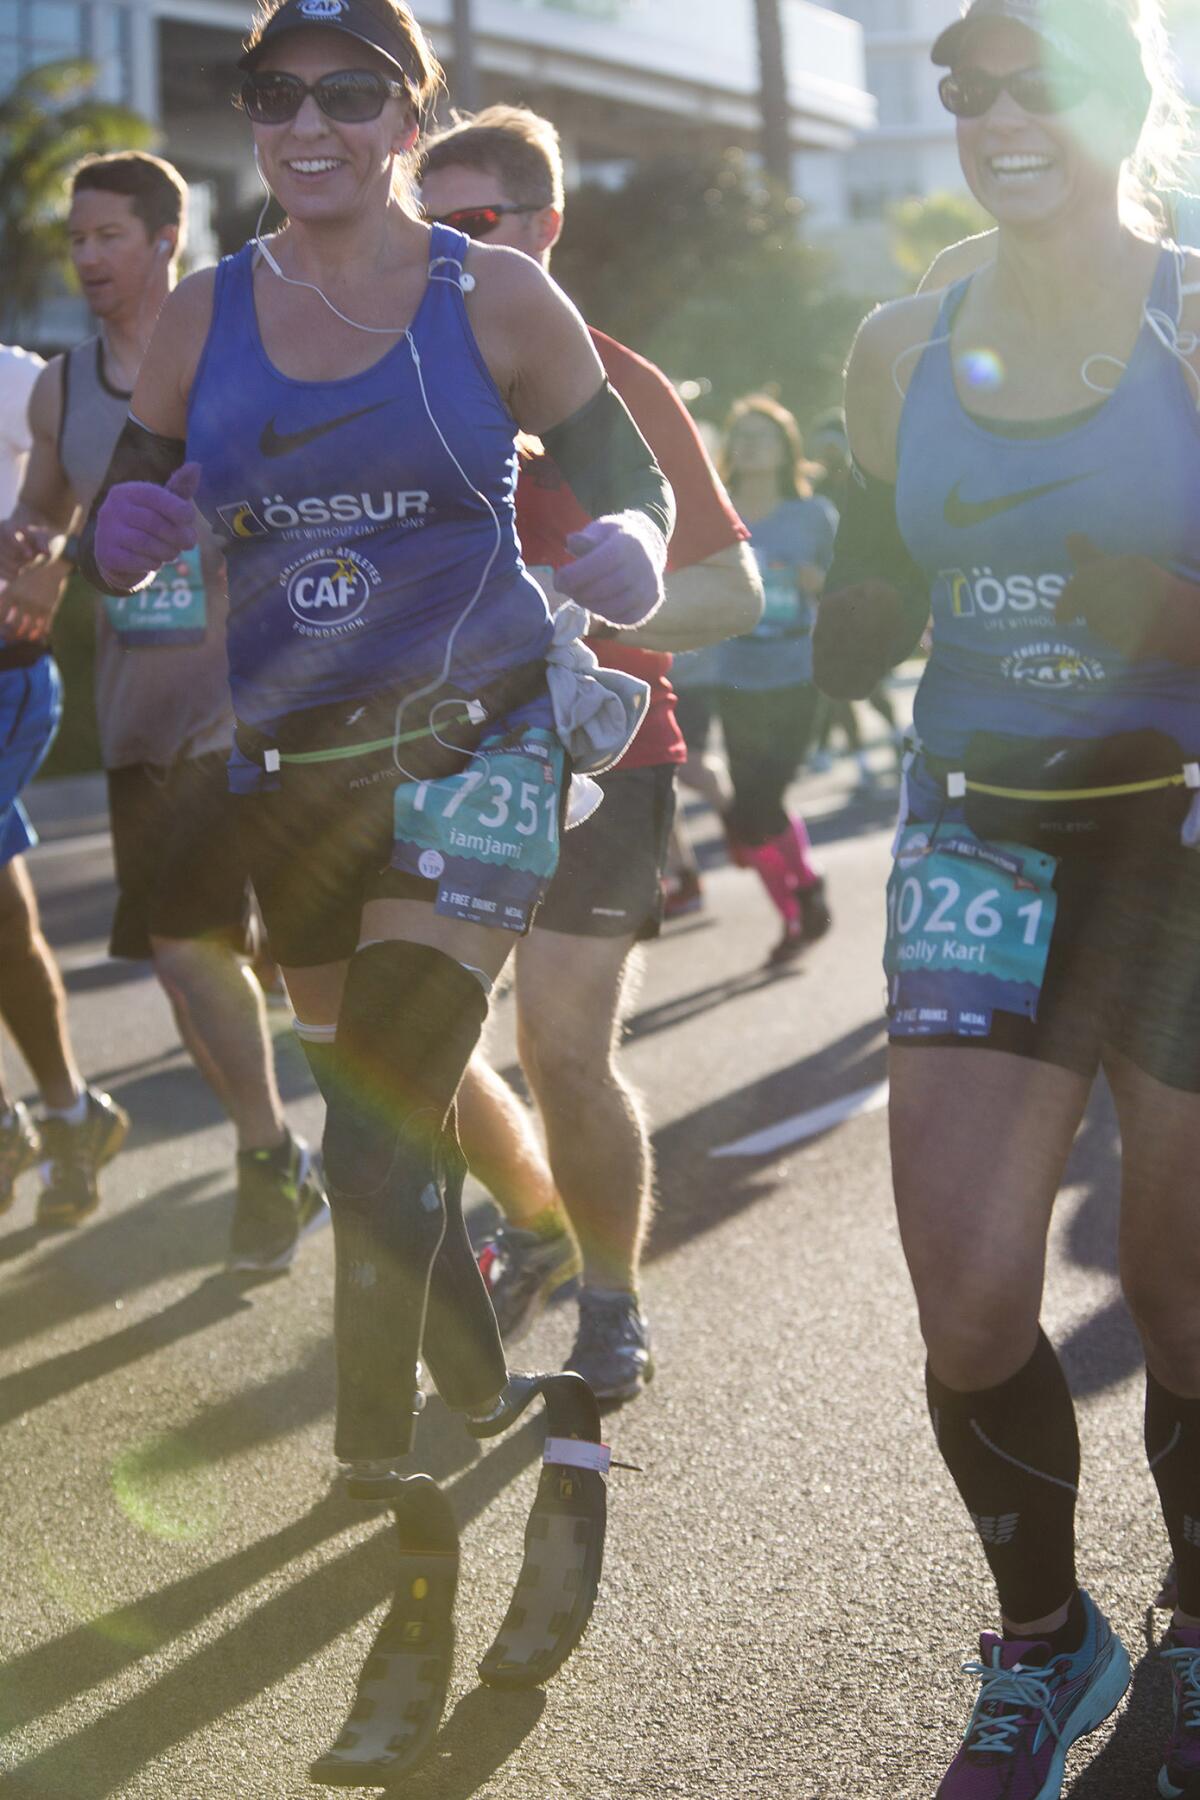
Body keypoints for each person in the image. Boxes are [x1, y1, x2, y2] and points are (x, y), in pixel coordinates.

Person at [71, 0, 677, 1496]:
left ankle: (371, 1465)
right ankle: (473, 1388)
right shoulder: (211, 308)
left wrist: (632, 555)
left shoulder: (496, 295)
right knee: (377, 1106)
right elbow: (131, 501)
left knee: (381, 1098)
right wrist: (122, 531)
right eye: (276, 95)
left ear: (411, 119)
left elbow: (635, 485)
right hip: (295, 769)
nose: (309, 125)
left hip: (481, 739)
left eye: (351, 95)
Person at [813, 2, 1200, 1794]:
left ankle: (1197, 1623)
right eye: (964, 84)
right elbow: (876, 593)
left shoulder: (1198, 317)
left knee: (1191, 1306)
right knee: (969, 1293)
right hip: (981, 839)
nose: (994, 111)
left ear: (1124, 100)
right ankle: (1045, 1641)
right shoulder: (901, 344)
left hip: (1185, 842)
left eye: (1037, 76)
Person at [419, 105, 760, 1396]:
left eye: (478, 227)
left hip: (601, 761)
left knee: (562, 1047)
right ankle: (538, 1216)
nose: (452, 256)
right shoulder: (387, 384)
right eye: (428, 232)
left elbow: (735, 593)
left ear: (544, 230)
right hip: (438, 761)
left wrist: (604, 597)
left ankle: (611, 1301)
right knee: (411, 1049)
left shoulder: (614, 381)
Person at [0, 151, 326, 1273]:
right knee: (189, 958)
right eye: (76, 240)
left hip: (277, 699)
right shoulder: (63, 387)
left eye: (107, 237)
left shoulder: (248, 348)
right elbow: (40, 515)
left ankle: (385, 1157)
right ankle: (270, 1150)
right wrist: (34, 551)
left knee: (298, 948)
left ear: (164, 239)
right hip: (146, 714)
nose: (88, 257)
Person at [0, 343, 127, 1227]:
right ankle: (68, 1114)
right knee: (6, 924)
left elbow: (116, 457)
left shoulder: (14, 377)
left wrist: (60, 559)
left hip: (4, 676)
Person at [706, 394, 835, 964]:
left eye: (767, 434)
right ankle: (796, 910)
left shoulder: (813, 515)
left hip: (796, 675)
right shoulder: (713, 508)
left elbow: (849, 589)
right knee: (752, 814)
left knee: (761, 804)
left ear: (788, 448)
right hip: (733, 676)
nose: (753, 444)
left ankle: (805, 890)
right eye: (744, 434)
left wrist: (818, 581)